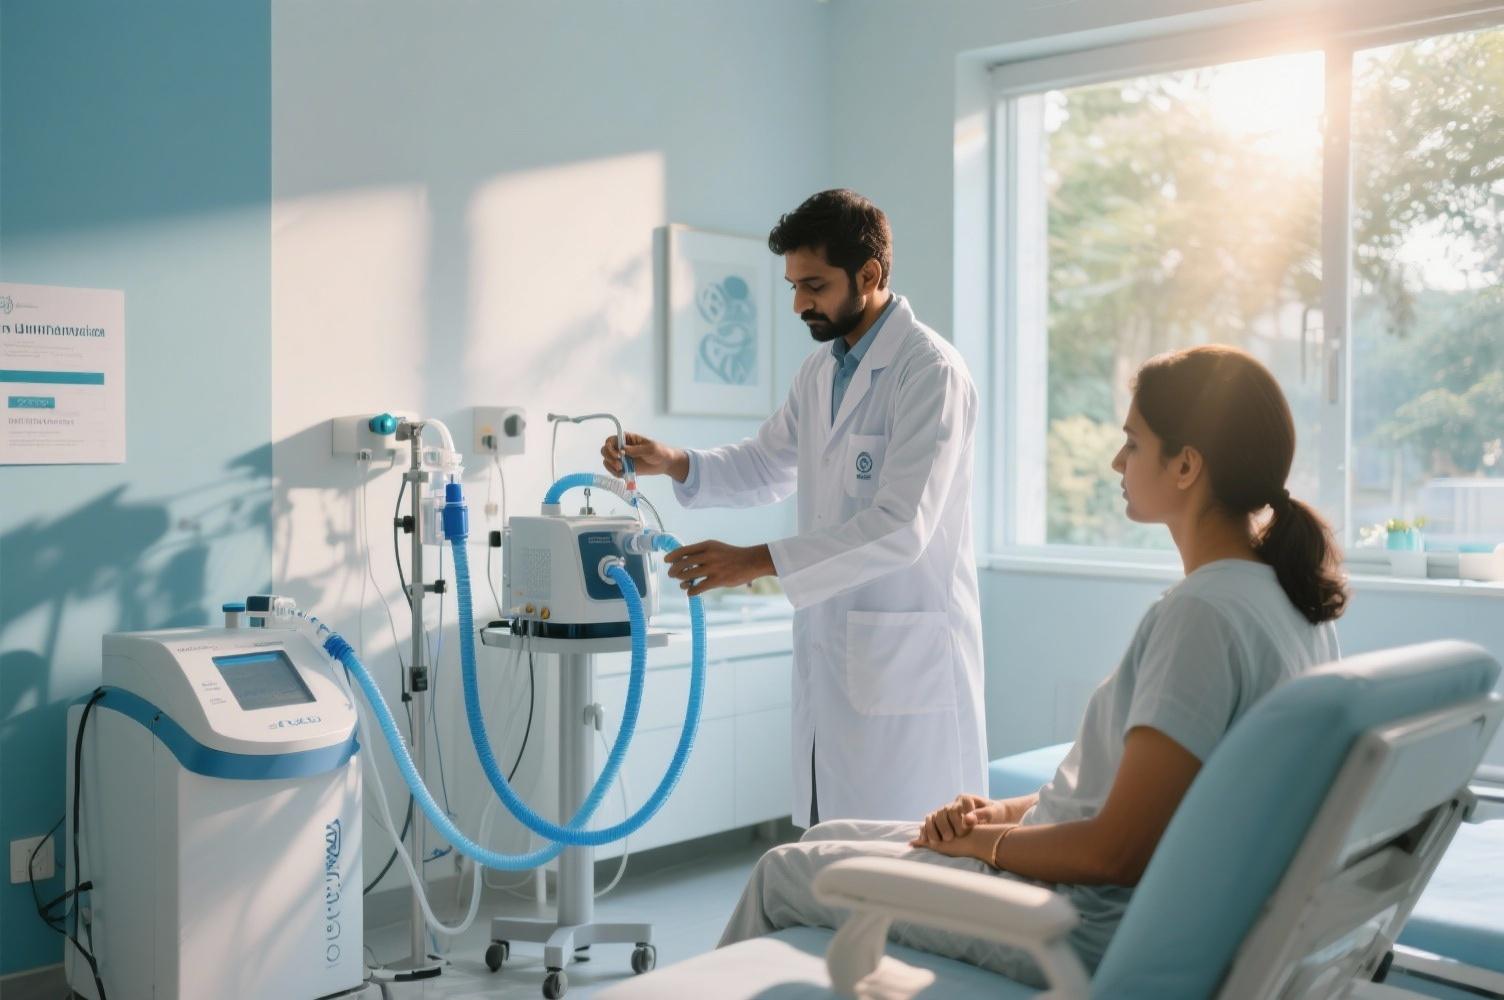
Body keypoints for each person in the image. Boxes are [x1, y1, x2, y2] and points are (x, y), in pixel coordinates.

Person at [718, 345, 1349, 985]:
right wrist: (1000, 814)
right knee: (826, 835)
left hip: (1070, 916)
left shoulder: (1202, 617)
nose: (1116, 461)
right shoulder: (1287, 604)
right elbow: (1124, 799)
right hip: (1080, 887)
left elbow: (1116, 849)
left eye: (1132, 443)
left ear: (1185, 465)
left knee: (780, 872)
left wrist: (984, 845)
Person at [603, 189, 985, 826]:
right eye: (793, 285)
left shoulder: (929, 372)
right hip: (835, 651)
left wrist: (755, 560)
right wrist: (674, 461)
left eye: (815, 285)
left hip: (903, 662)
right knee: (833, 855)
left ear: (871, 275)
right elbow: (765, 463)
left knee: (909, 860)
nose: (799, 303)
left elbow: (902, 526)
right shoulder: (819, 372)